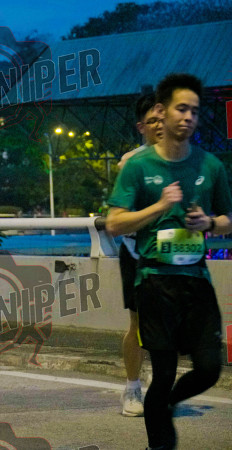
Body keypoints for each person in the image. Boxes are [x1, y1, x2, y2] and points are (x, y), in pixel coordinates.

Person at [107, 73, 231, 450]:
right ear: (162, 111)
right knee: (162, 374)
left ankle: (166, 404)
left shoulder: (211, 166)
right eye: (181, 109)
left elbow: (228, 219)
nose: (189, 117)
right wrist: (159, 206)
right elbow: (114, 223)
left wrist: (209, 223)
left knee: (209, 368)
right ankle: (159, 443)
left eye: (195, 111)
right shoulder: (137, 166)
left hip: (196, 280)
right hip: (154, 281)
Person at [116, 93, 163, 417]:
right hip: (136, 252)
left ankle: (161, 387)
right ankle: (132, 388)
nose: (160, 124)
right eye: (153, 120)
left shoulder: (185, 159)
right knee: (138, 323)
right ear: (141, 126)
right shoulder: (130, 162)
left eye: (164, 118)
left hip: (171, 252)